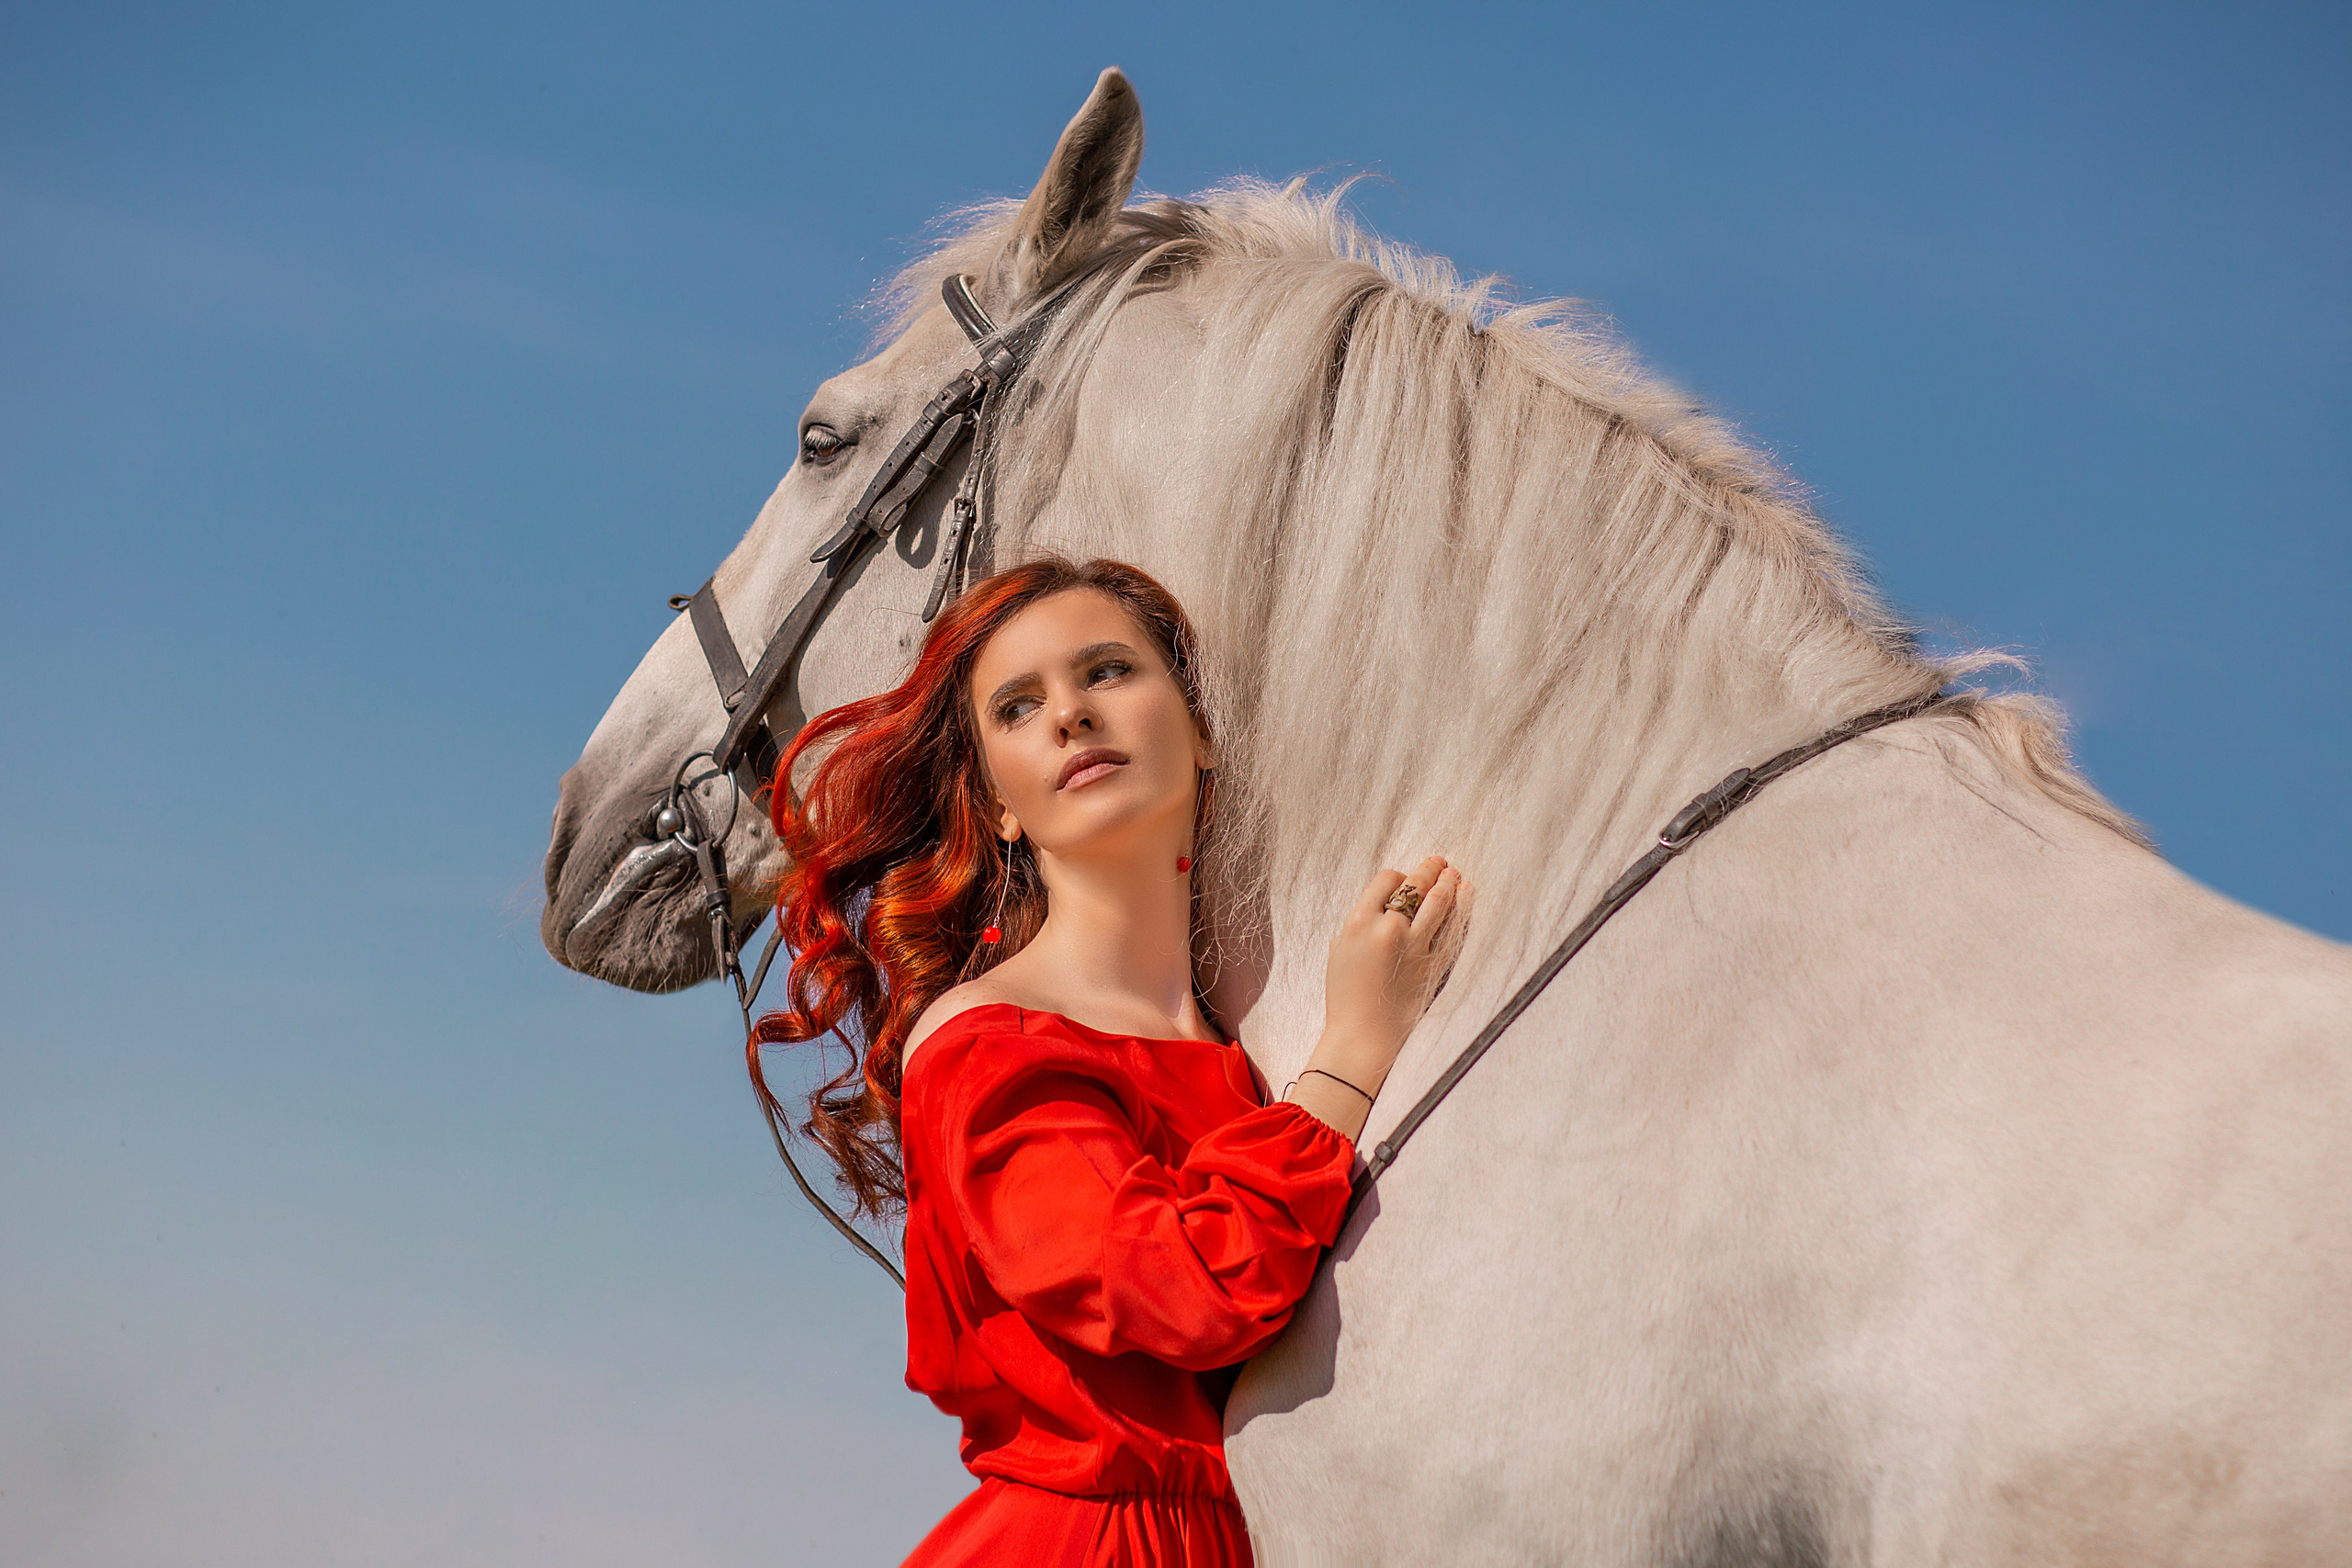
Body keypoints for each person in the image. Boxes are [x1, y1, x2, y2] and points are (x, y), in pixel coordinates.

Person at [755, 556, 1468, 1566]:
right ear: (998, 806)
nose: (1070, 714)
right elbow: (1179, 1284)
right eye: (1017, 706)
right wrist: (1354, 1047)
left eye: (1107, 671)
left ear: (1202, 732)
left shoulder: (1239, 1056)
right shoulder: (982, 1043)